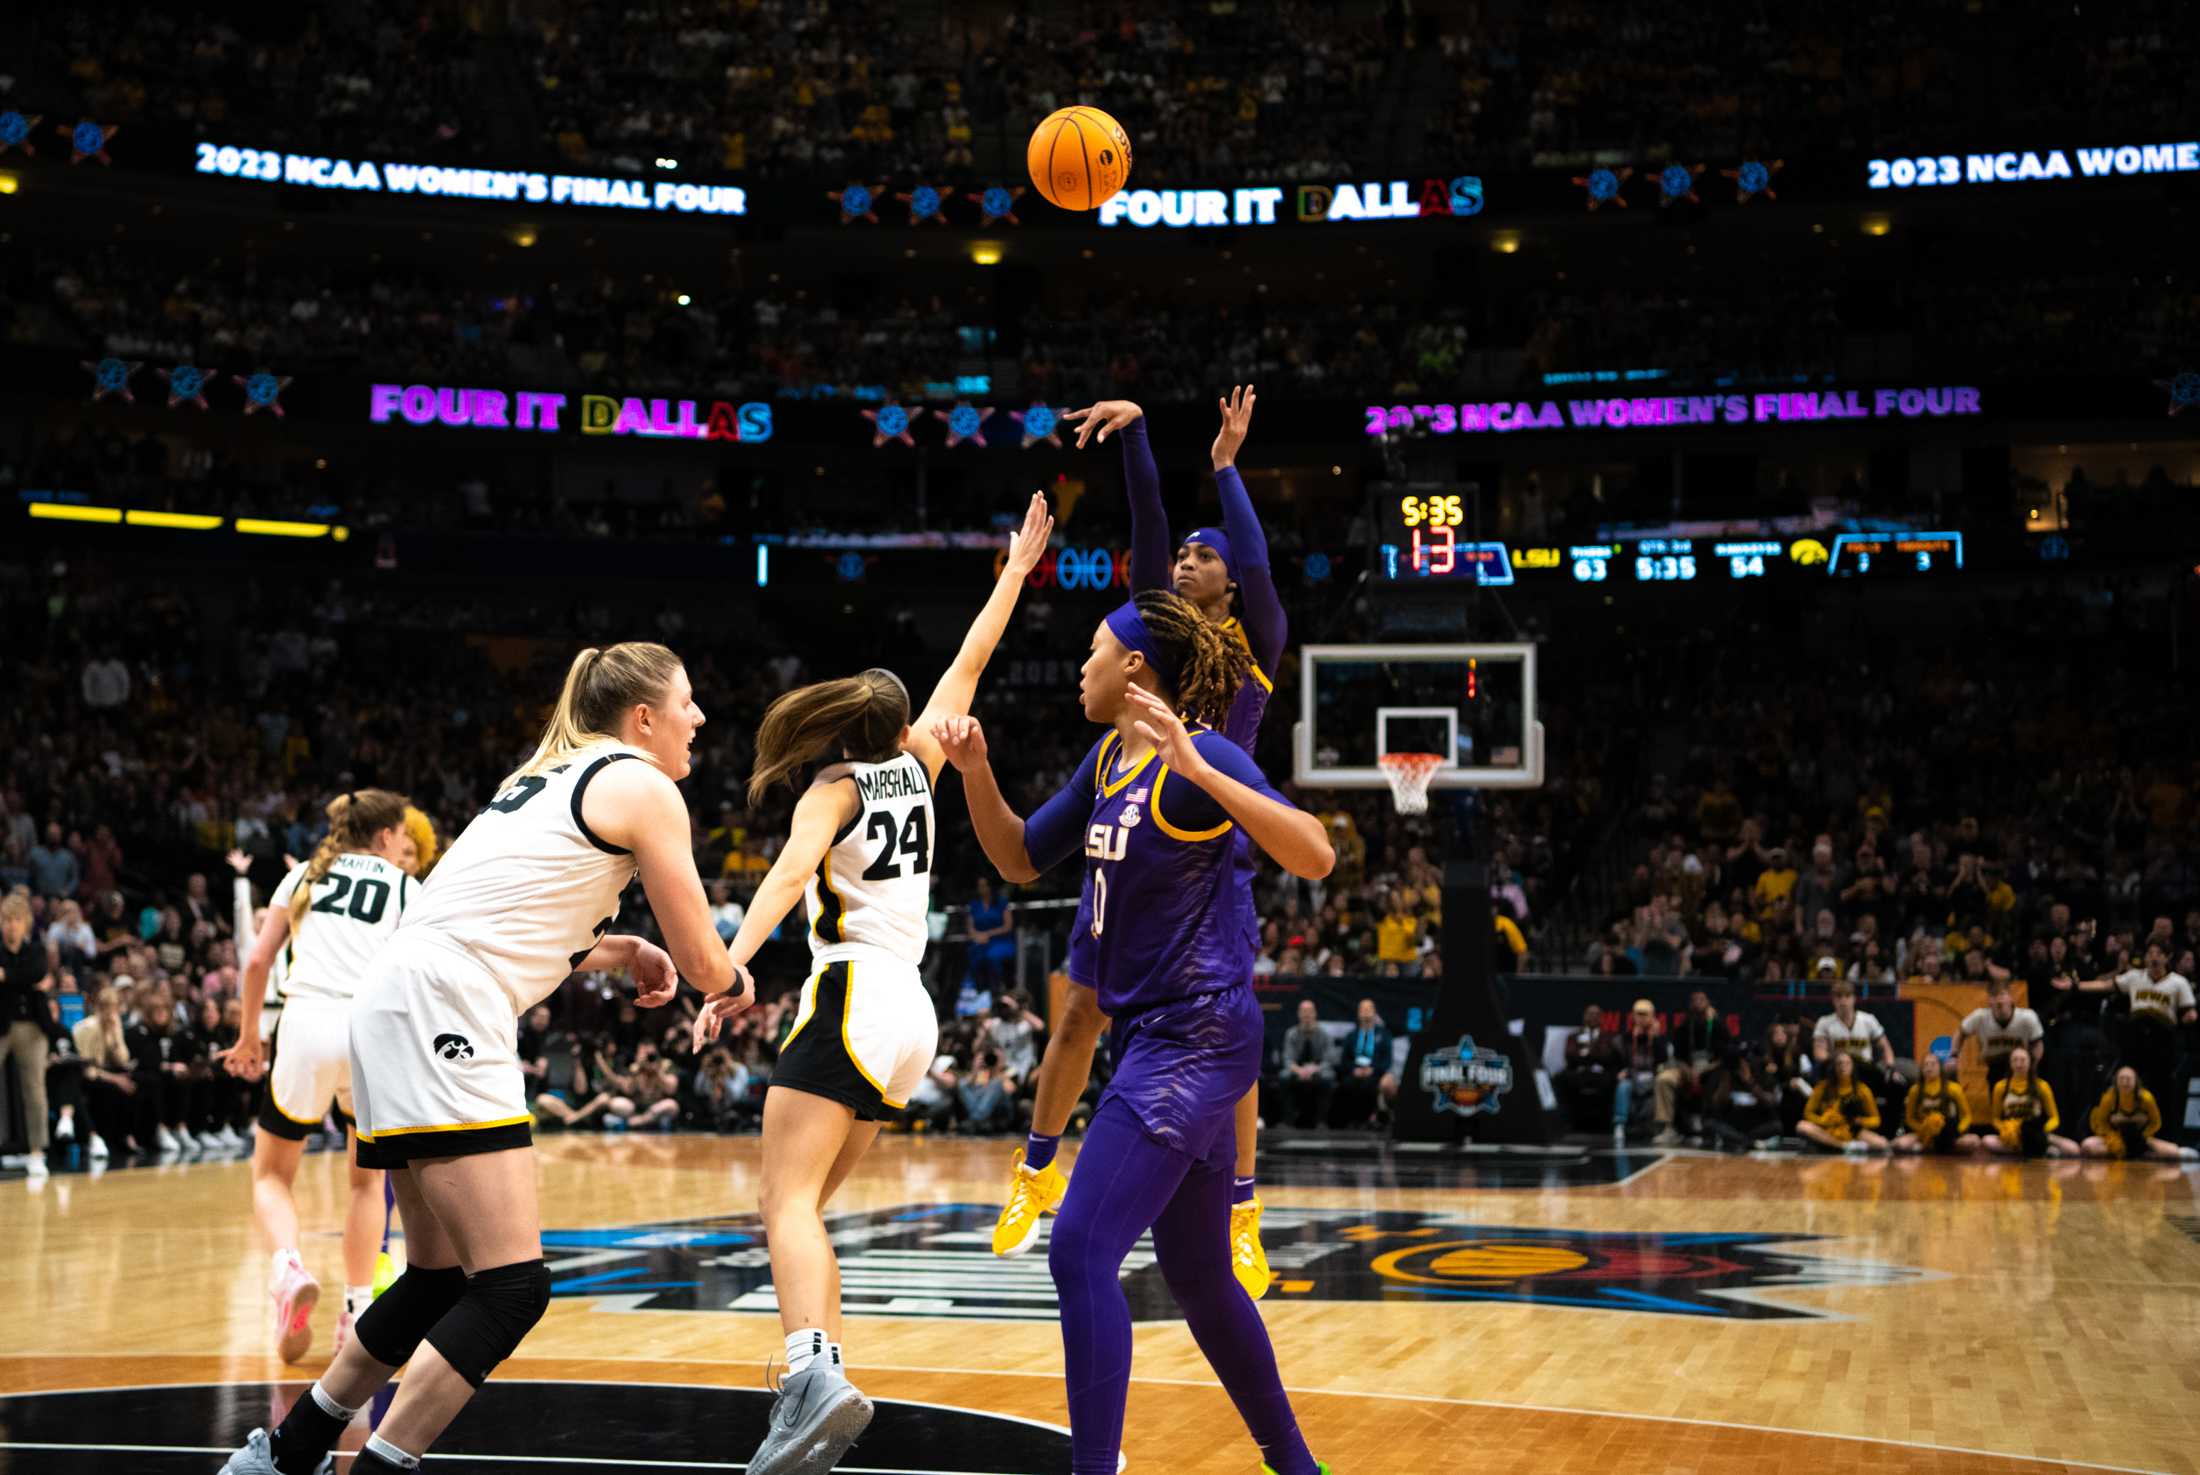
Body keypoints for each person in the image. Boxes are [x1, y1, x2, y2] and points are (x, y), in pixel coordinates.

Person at [220, 641, 746, 1475]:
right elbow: (705, 956)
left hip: (393, 995)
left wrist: (624, 947)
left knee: (434, 1279)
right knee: (511, 1286)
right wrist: (729, 976)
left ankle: (282, 1457)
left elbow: (504, 921)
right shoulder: (643, 785)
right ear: (643, 718)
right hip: (445, 1005)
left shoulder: (541, 780)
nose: (700, 717)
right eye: (688, 701)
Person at [689, 493, 1050, 1475]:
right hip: (913, 1013)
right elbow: (971, 661)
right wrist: (1014, 573)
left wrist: (728, 966)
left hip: (850, 992)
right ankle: (821, 1378)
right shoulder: (919, 765)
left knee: (785, 1203)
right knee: (803, 1205)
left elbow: (786, 874)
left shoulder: (835, 786)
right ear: (904, 723)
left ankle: (809, 1375)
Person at [941, 584, 1337, 1475]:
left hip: (1197, 1035)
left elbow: (1315, 852)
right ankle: (1298, 1467)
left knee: (1080, 1243)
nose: (1079, 665)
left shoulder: (1203, 755)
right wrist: (976, 772)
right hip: (1154, 1039)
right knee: (1197, 1273)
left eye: (1091, 651)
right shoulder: (1108, 760)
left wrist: (1204, 771)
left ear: (1133, 667)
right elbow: (1014, 855)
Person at [998, 387, 1285, 1301]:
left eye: (1210, 554)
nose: (1191, 560)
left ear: (1232, 579)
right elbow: (1150, 524)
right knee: (1077, 1009)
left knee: (1233, 1019)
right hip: (1130, 832)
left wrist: (1228, 466)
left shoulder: (1256, 637)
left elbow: (1263, 566)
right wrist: (1139, 440)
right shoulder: (1152, 634)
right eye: (1189, 553)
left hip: (1209, 843)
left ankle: (1242, 1205)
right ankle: (1038, 1166)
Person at [218, 789, 430, 1364]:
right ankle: (359, 1311)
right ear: (386, 836)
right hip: (368, 1031)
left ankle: (288, 1268)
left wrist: (247, 1036)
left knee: (271, 1175)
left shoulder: (304, 878)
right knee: (366, 1183)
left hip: (307, 1021)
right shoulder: (407, 887)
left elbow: (258, 961)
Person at [1, 894, 54, 1177]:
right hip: (2, 1025)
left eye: (16, 920)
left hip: (33, 1027)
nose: (11, 926)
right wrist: (25, 981)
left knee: (34, 1089)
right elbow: (32, 980)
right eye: (6, 920)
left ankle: (37, 1151)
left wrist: (6, 977)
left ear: (27, 924)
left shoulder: (36, 950)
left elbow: (36, 972)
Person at [2081, 1065, 2195, 1161]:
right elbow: (2101, 1123)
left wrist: (2143, 1136)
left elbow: (2156, 1122)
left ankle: (2140, 1155)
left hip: (2141, 1138)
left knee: (2173, 1152)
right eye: (2121, 1078)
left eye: (2129, 1079)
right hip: (2116, 1137)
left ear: (2136, 1081)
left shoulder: (2146, 1098)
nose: (2125, 1082)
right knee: (2088, 1146)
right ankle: (2128, 1154)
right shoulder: (2109, 1098)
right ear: (2116, 1081)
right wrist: (2113, 1139)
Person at [1983, 1045, 2076, 1158]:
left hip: (2037, 1133)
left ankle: (2029, 1149)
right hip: (2013, 1135)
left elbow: (2054, 1118)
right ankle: (2039, 1151)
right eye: (2015, 1060)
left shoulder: (2042, 1086)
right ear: (2010, 1063)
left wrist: (2042, 1131)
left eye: (2023, 1060)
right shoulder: (2000, 1087)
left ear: (2030, 1062)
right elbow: (1995, 1119)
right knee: (1987, 1141)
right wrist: (2005, 1130)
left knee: (2073, 1149)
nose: (2019, 1064)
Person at [1798, 1049, 1887, 1154]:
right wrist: (1823, 1121)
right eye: (1839, 1063)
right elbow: (1807, 1113)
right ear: (1833, 1067)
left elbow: (1876, 1120)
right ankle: (1843, 1146)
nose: (1843, 1067)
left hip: (1852, 1130)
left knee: (1882, 1143)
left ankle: (1833, 1146)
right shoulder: (1822, 1087)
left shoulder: (1862, 1090)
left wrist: (1860, 1121)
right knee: (1802, 1126)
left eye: (1847, 1063)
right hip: (1827, 1129)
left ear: (1853, 1067)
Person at [1959, 983, 2045, 1088]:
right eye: (1994, 997)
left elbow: (2038, 1044)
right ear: (1989, 1001)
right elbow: (1961, 1032)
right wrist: (1954, 1055)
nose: (1999, 1000)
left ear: (2011, 999)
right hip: (1995, 1063)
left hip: (2020, 1062)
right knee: (1998, 1092)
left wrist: (2033, 1065)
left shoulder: (2027, 1017)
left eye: (2003, 995)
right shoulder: (1980, 1017)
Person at [1893, 1052, 1978, 1155]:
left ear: (1940, 1068)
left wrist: (1958, 1131)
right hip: (1923, 1133)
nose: (1929, 1068)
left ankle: (1930, 1148)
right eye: (1926, 1065)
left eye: (1933, 1064)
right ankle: (1937, 1147)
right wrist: (1924, 1129)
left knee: (1974, 1142)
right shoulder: (1915, 1090)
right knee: (1900, 1144)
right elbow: (1910, 1118)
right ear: (1921, 1069)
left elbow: (1967, 1116)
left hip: (1949, 1134)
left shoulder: (1954, 1088)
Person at [1274, 998, 1340, 1128]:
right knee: (1283, 1077)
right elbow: (1287, 1059)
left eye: (1309, 1011)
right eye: (1304, 1012)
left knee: (1328, 1078)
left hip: (1318, 1070)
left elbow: (1330, 1059)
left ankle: (1321, 1121)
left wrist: (1314, 1070)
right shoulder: (1291, 1033)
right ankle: (1288, 1120)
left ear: (1315, 1014)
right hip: (1297, 1070)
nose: (1307, 1015)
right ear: (1299, 1014)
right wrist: (1299, 1070)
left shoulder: (1325, 1034)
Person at [1334, 997, 1397, 1126]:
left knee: (1371, 1085)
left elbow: (1387, 1060)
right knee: (1347, 1084)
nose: (1366, 1012)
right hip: (1355, 1072)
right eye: (1363, 1009)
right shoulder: (1351, 1036)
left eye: (1369, 1009)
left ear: (1375, 1012)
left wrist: (1373, 1069)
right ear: (1358, 1013)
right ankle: (1352, 1119)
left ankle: (1375, 1117)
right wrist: (1353, 1069)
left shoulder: (1384, 1035)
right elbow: (1344, 1060)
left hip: (1376, 1072)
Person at [964, 874, 1017, 996]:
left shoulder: (1002, 902)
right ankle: (980, 993)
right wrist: (977, 936)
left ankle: (997, 991)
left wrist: (988, 934)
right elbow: (970, 928)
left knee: (992, 956)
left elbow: (1008, 926)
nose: (981, 889)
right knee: (973, 955)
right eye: (979, 886)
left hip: (1001, 941)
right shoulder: (974, 905)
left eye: (984, 886)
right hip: (980, 942)